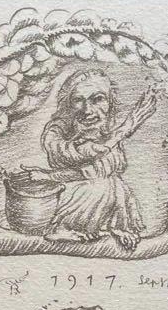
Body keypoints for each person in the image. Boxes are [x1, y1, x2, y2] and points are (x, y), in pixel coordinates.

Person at [23, 68, 156, 251]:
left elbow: (104, 166)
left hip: (95, 199)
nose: (87, 110)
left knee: (114, 183)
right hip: (63, 195)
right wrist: (126, 127)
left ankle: (114, 228)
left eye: (97, 99)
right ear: (68, 104)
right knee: (100, 184)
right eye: (78, 100)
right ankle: (61, 228)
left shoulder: (103, 133)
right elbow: (87, 156)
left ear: (110, 103)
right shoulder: (56, 132)